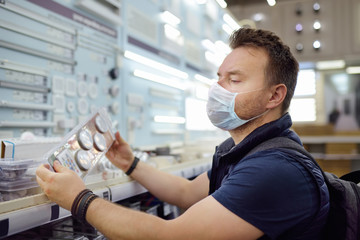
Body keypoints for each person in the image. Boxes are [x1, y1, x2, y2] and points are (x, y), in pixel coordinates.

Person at [36, 28, 329, 240]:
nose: (218, 89)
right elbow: (186, 193)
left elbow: (171, 236)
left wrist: (78, 198)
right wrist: (130, 163)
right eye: (219, 78)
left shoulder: (274, 169)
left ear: (274, 96)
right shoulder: (246, 150)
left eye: (234, 79)